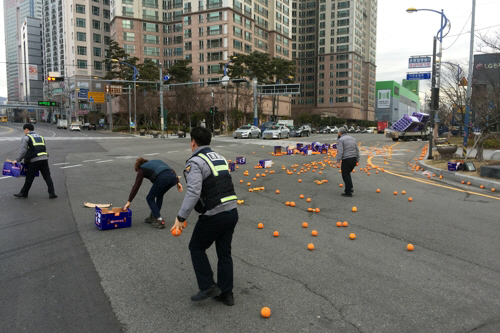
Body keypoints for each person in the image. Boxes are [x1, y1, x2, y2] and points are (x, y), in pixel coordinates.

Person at [171, 127, 238, 306]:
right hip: (232, 210)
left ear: (193, 142)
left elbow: (193, 192)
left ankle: (208, 285)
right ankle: (227, 294)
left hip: (215, 214)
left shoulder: (195, 162)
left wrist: (181, 217)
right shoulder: (220, 158)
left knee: (196, 247)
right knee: (224, 253)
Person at [124, 158, 183, 229]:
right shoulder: (157, 161)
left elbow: (136, 186)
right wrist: (178, 182)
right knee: (160, 194)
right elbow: (171, 169)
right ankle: (154, 216)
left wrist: (129, 201)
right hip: (173, 178)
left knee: (149, 198)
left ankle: (159, 220)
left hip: (162, 178)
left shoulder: (141, 169)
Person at [6, 123, 57, 199]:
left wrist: (17, 160)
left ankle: (24, 193)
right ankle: (52, 193)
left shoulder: (26, 138)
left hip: (34, 160)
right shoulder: (41, 137)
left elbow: (23, 151)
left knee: (30, 177)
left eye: (24, 130)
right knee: (47, 177)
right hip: (44, 158)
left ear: (27, 129)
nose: (24, 132)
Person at [336, 127, 360, 197]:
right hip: (353, 159)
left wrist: (338, 161)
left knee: (345, 174)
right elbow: (357, 150)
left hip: (347, 159)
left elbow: (340, 152)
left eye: (338, 132)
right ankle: (350, 187)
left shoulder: (341, 140)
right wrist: (357, 159)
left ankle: (348, 191)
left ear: (340, 133)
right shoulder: (353, 138)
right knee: (347, 174)